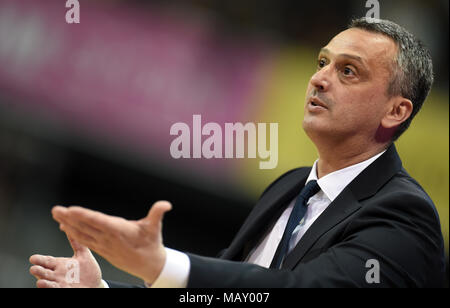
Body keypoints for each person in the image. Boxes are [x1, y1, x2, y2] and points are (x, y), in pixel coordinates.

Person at [29, 17, 446, 288]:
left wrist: (162, 263)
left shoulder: (405, 215)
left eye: (348, 71)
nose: (319, 79)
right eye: (322, 62)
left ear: (396, 111)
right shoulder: (288, 188)